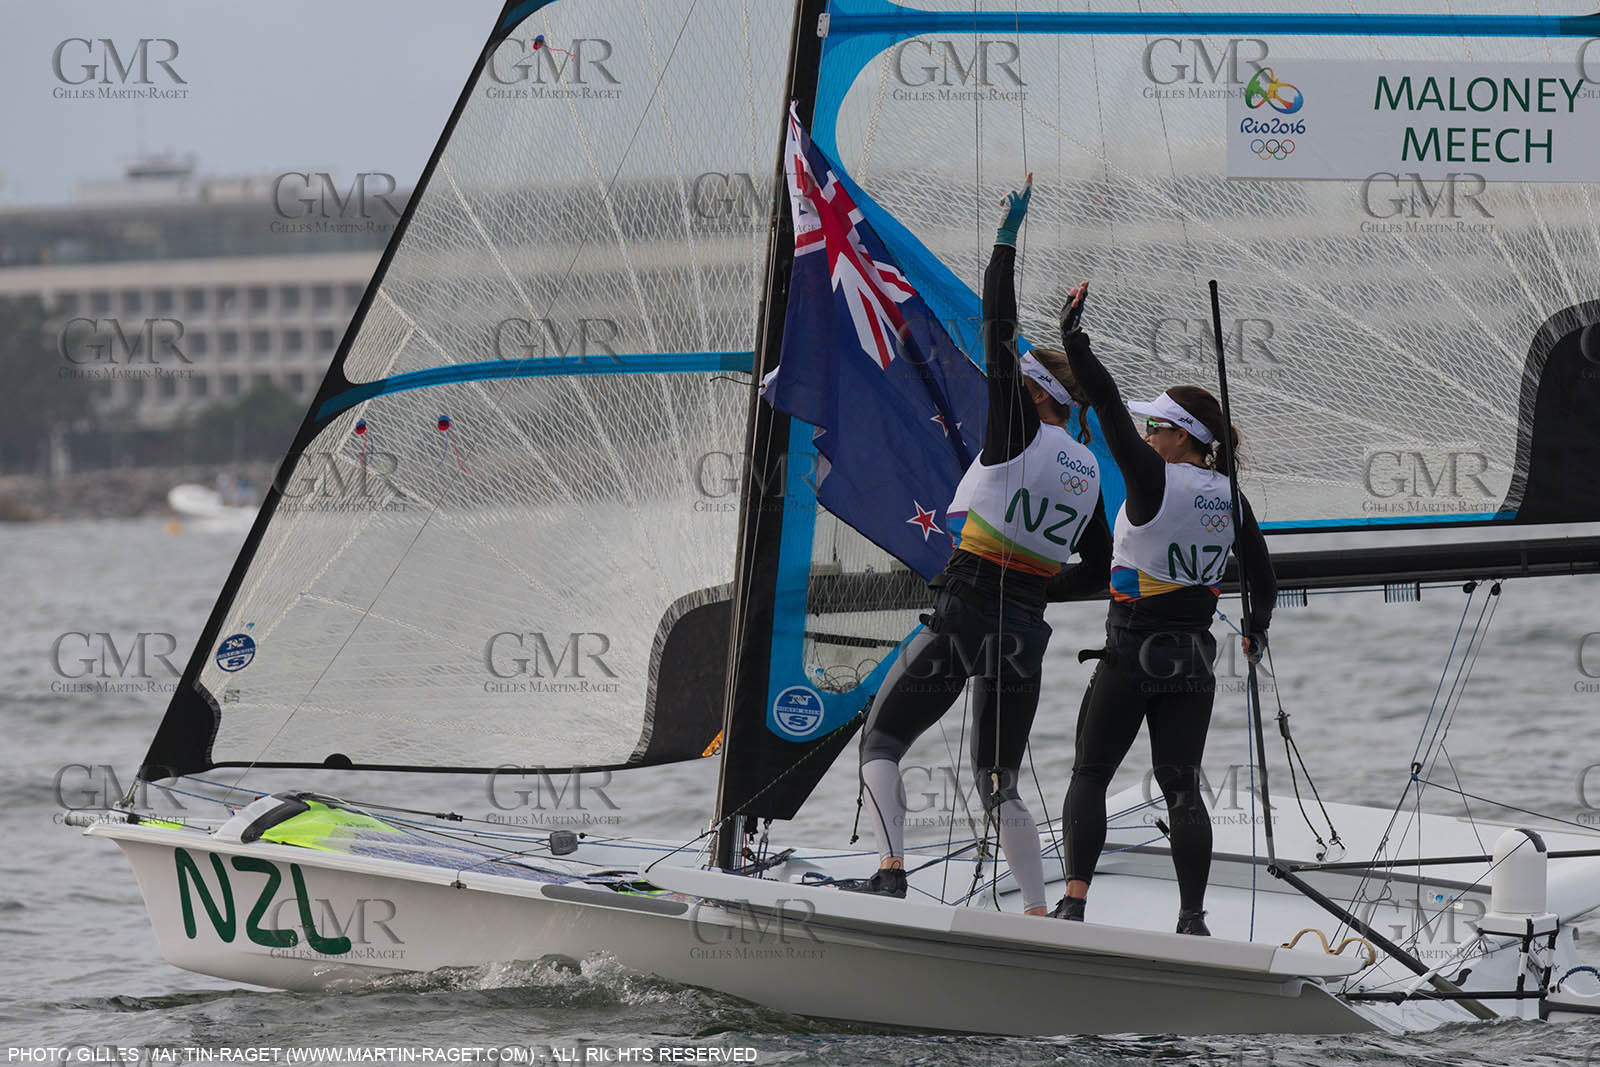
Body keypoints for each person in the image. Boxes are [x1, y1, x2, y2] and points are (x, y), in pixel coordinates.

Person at [844, 177, 1111, 915]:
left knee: (881, 741)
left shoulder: (1014, 430)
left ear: (1030, 393)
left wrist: (1006, 236)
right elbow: (1097, 567)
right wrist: (1028, 591)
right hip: (1024, 631)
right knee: (1001, 781)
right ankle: (1037, 910)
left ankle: (893, 868)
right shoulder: (1089, 469)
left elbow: (998, 324)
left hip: (963, 613)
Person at [1049, 318, 1276, 934]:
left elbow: (1109, 412)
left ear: (1183, 438)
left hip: (1131, 654)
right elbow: (1261, 572)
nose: (1146, 436)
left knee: (1090, 774)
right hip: (1193, 663)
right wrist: (1256, 627)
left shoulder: (1153, 480)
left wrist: (1075, 346)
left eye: (1158, 427)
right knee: (1183, 789)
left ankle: (1073, 905)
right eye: (1148, 426)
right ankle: (1192, 919)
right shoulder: (1231, 496)